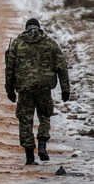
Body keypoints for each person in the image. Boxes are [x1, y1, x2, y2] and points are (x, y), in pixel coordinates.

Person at [5, 18, 71, 165]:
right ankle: (42, 144)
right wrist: (65, 88)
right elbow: (61, 66)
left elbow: (10, 68)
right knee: (45, 115)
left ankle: (29, 156)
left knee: (25, 120)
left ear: (26, 28)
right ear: (39, 28)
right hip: (44, 87)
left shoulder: (17, 43)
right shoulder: (50, 42)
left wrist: (9, 89)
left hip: (25, 88)